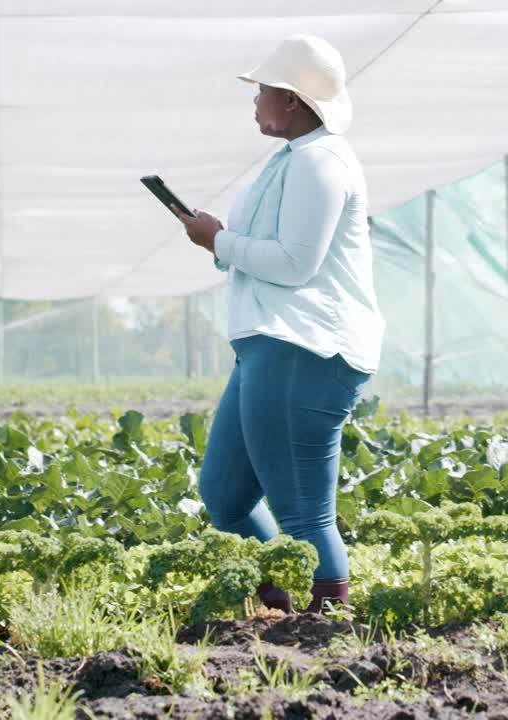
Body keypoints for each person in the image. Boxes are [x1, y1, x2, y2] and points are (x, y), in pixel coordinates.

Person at [174, 34, 385, 613]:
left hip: (305, 347)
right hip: (268, 347)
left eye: (264, 90)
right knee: (224, 494)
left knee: (301, 513)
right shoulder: (288, 160)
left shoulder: (321, 163)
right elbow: (265, 249)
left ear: (292, 99)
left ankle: (330, 628)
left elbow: (296, 264)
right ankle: (284, 606)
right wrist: (219, 241)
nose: (256, 100)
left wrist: (218, 239)